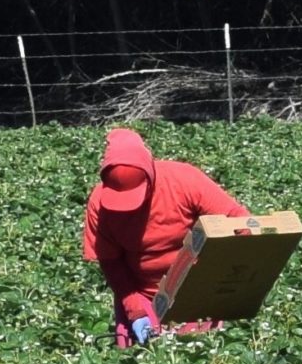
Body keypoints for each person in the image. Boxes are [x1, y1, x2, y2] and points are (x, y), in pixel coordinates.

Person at [81, 128, 249, 347]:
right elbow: (112, 262)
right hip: (140, 292)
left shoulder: (183, 180)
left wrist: (227, 282)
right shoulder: (99, 204)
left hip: (195, 291)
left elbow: (238, 221)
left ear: (150, 177)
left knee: (198, 361)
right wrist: (135, 310)